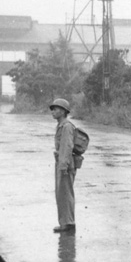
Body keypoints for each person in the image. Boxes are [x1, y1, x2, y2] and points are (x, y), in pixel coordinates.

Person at [50, 98, 79, 233]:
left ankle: (68, 223)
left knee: (65, 194)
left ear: (63, 111)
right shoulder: (61, 125)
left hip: (65, 164)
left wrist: (63, 166)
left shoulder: (66, 126)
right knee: (62, 194)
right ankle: (66, 222)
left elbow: (67, 147)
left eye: (56, 109)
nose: (53, 112)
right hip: (61, 163)